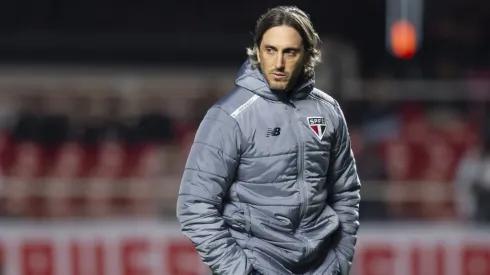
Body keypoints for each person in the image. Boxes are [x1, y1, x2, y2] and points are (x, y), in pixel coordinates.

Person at [176, 6, 361, 275]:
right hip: (257, 265)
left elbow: (346, 192)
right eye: (270, 50)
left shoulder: (328, 111)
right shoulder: (229, 115)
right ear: (257, 52)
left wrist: (338, 262)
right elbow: (194, 205)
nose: (278, 63)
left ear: (307, 55)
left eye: (290, 52)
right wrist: (241, 271)